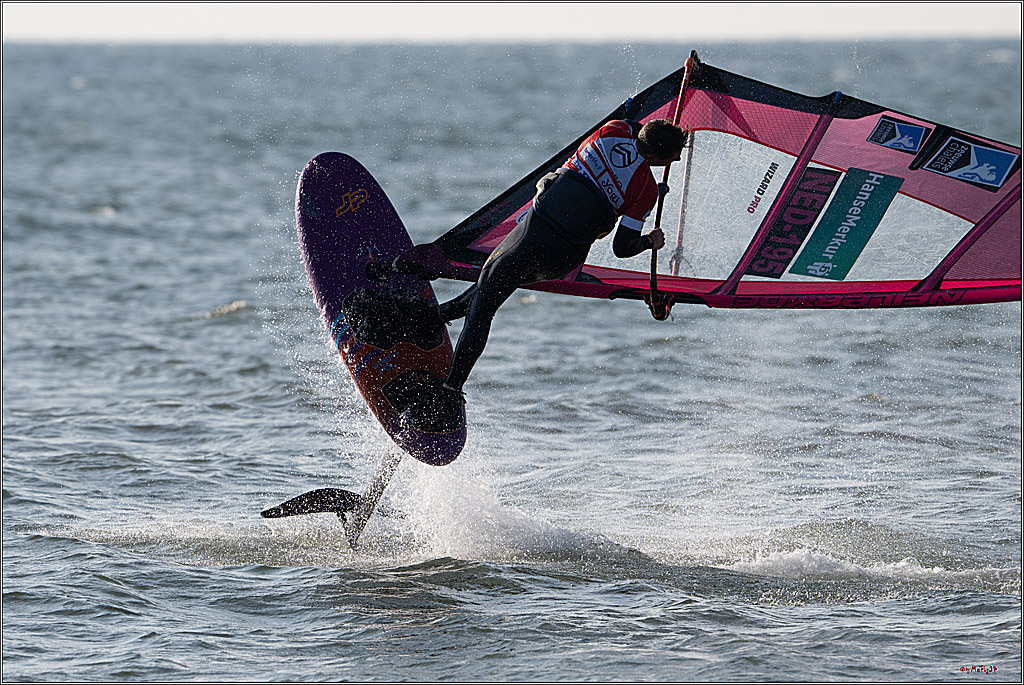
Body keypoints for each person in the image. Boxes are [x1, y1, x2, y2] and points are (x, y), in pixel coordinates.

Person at [437, 118, 687, 398]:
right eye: (672, 159)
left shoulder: (613, 129)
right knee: (494, 289)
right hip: (563, 260)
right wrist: (651, 241)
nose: (675, 161)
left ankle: (449, 388)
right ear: (653, 157)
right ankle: (438, 317)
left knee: (485, 302)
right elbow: (623, 247)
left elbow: (634, 123)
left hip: (533, 237)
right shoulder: (646, 191)